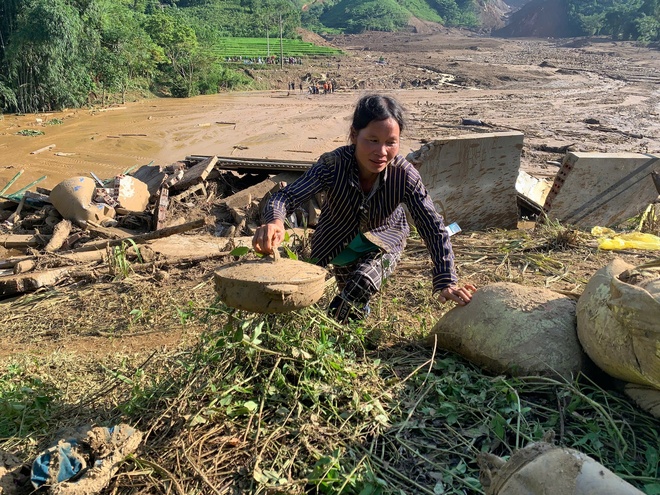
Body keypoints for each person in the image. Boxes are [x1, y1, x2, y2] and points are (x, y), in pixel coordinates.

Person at [253, 94, 476, 322]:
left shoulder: (405, 176)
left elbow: (433, 227)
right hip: (337, 242)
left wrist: (446, 280)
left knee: (360, 285)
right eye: (372, 140)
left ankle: (335, 330)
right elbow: (286, 196)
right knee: (350, 299)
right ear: (354, 135)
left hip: (384, 239)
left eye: (391, 143)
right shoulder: (333, 165)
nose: (381, 152)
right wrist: (275, 221)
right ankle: (354, 325)